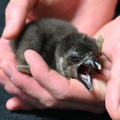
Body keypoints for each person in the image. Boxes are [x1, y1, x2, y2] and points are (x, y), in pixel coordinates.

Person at [0, 0, 119, 119]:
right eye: (74, 59)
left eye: (93, 56)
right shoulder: (36, 44)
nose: (93, 62)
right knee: (31, 49)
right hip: (35, 37)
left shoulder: (68, 32)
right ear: (62, 60)